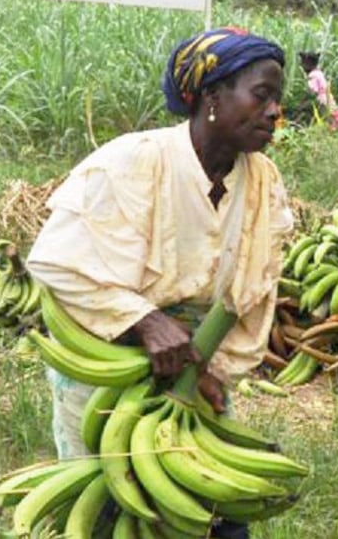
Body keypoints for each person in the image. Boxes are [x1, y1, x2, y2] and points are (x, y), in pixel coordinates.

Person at [26, 27, 293, 539]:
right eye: (261, 95)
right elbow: (59, 264)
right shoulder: (134, 160)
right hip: (110, 357)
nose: (275, 111)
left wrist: (211, 366)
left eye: (278, 99)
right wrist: (145, 322)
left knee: (201, 504)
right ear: (212, 96)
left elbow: (252, 289)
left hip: (196, 364)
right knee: (109, 499)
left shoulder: (263, 180)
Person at [300, 51, 338, 129]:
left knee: (326, 119)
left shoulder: (312, 76)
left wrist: (302, 103)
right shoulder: (319, 73)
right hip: (328, 97)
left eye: (303, 63)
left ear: (308, 64)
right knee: (334, 117)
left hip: (321, 100)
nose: (302, 66)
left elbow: (312, 92)